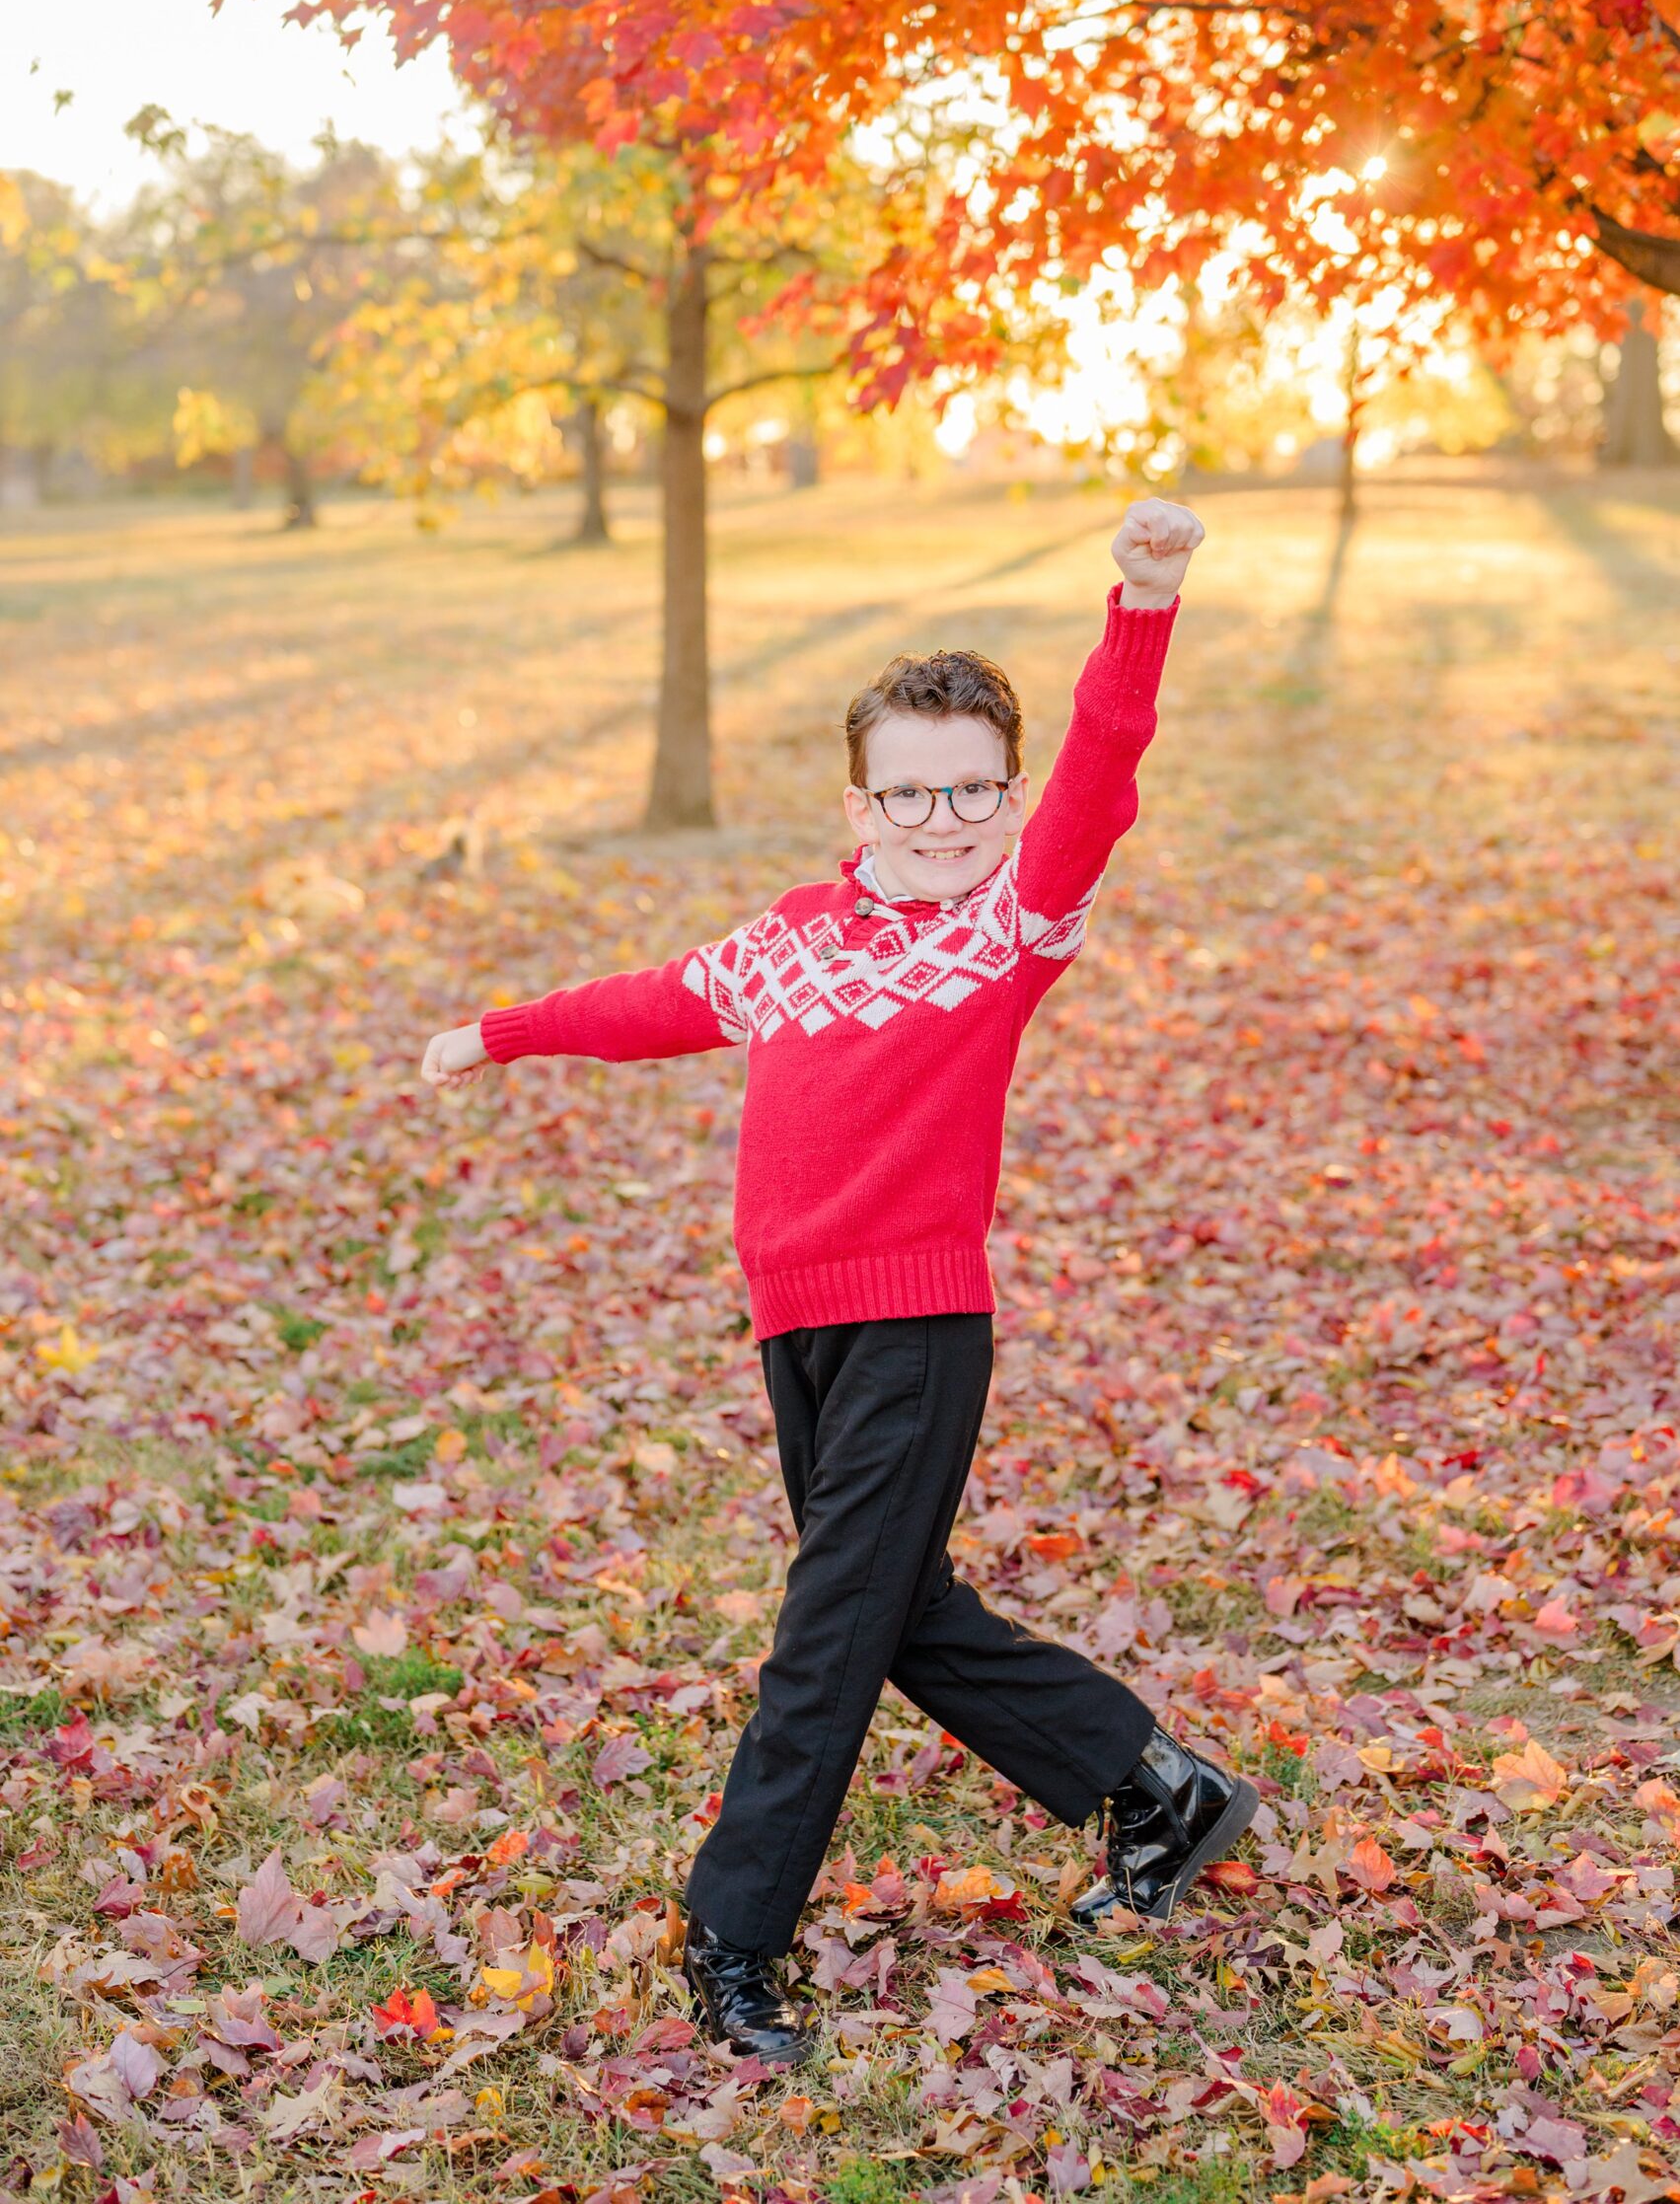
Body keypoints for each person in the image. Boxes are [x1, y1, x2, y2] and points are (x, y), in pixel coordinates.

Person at [421, 498, 1258, 2065]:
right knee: (898, 1606)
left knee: (827, 1629)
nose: (942, 817)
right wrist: (505, 1029)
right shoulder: (798, 935)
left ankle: (731, 1933)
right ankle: (1162, 1791)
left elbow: (1104, 770)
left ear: (1004, 800)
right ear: (857, 801)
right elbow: (657, 1000)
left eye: (971, 790)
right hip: (793, 1321)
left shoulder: (1012, 928)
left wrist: (1141, 602)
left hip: (919, 1322)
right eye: (909, 792)